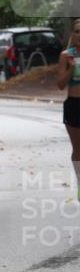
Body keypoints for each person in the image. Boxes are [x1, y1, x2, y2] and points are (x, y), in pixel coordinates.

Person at [56, 18, 80, 200]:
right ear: (73, 34)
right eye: (77, 31)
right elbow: (60, 85)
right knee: (78, 149)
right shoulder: (66, 56)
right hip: (74, 104)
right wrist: (71, 69)